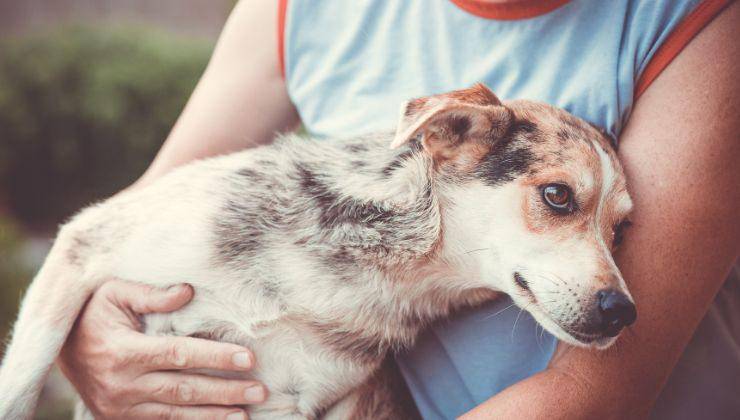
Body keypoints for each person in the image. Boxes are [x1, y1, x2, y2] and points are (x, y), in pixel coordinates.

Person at [57, 0, 740, 418]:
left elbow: (594, 399)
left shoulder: (698, 20)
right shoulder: (302, 7)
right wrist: (86, 342)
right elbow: (147, 209)